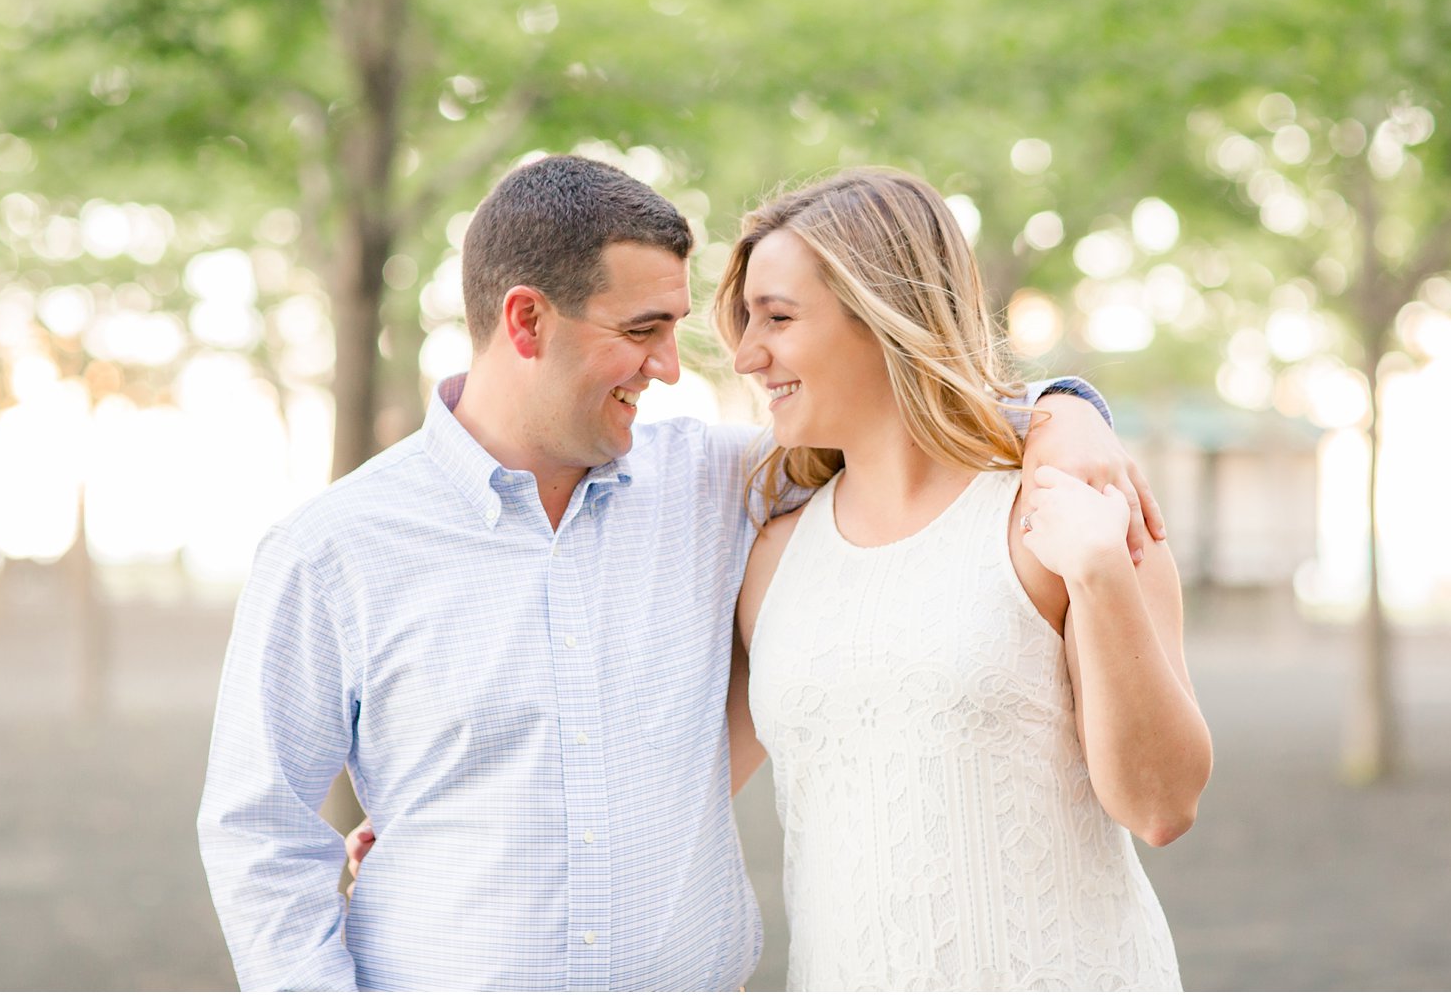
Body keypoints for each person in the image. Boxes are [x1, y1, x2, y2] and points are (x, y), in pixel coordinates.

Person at [199, 154, 1160, 991]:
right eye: (643, 329)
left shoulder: (717, 484)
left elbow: (899, 406)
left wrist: (1064, 407)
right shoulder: (335, 550)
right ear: (527, 321)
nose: (675, 365)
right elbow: (259, 835)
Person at [714, 169, 1212, 991]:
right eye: (745, 321)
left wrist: (1098, 576)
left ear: (884, 316)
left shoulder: (1061, 516)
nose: (745, 354)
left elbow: (1162, 806)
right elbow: (680, 788)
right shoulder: (769, 559)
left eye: (777, 317)